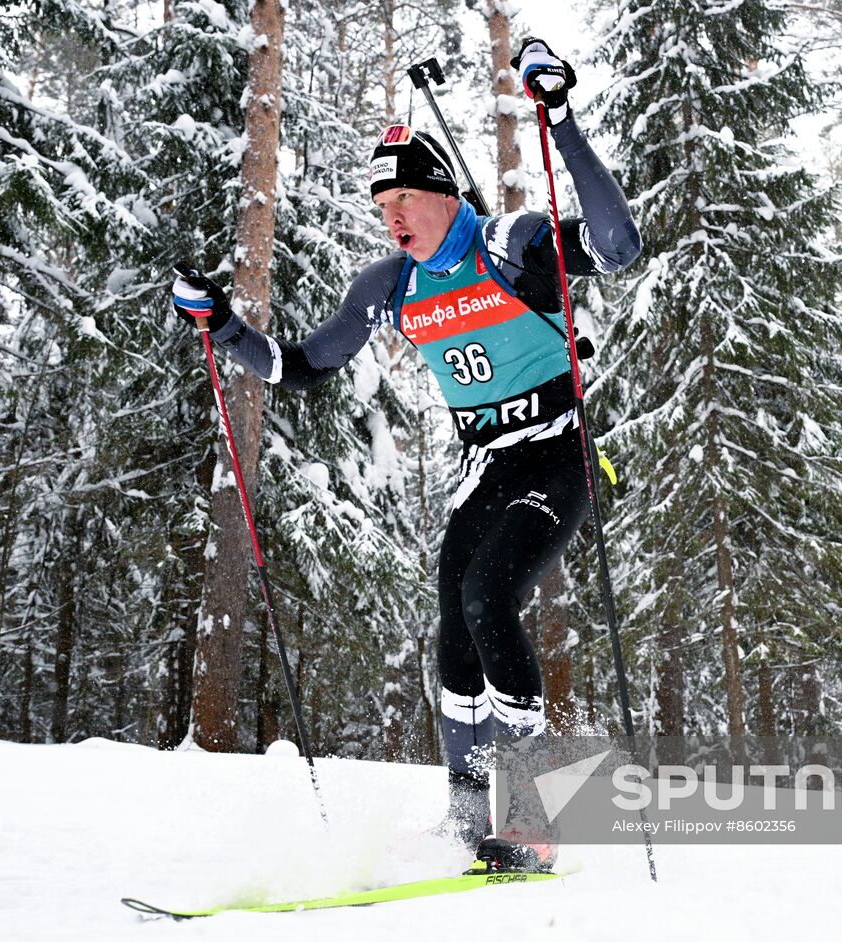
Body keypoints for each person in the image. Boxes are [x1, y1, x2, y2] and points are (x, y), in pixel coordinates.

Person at [172, 38, 640, 871]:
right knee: (454, 627)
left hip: (558, 456)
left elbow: (617, 247)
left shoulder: (509, 243)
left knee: (492, 593)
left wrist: (558, 119)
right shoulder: (389, 282)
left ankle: (534, 814)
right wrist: (224, 326)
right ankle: (467, 815)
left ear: (443, 194)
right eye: (379, 202)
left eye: (404, 198)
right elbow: (299, 366)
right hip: (485, 467)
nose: (391, 215)